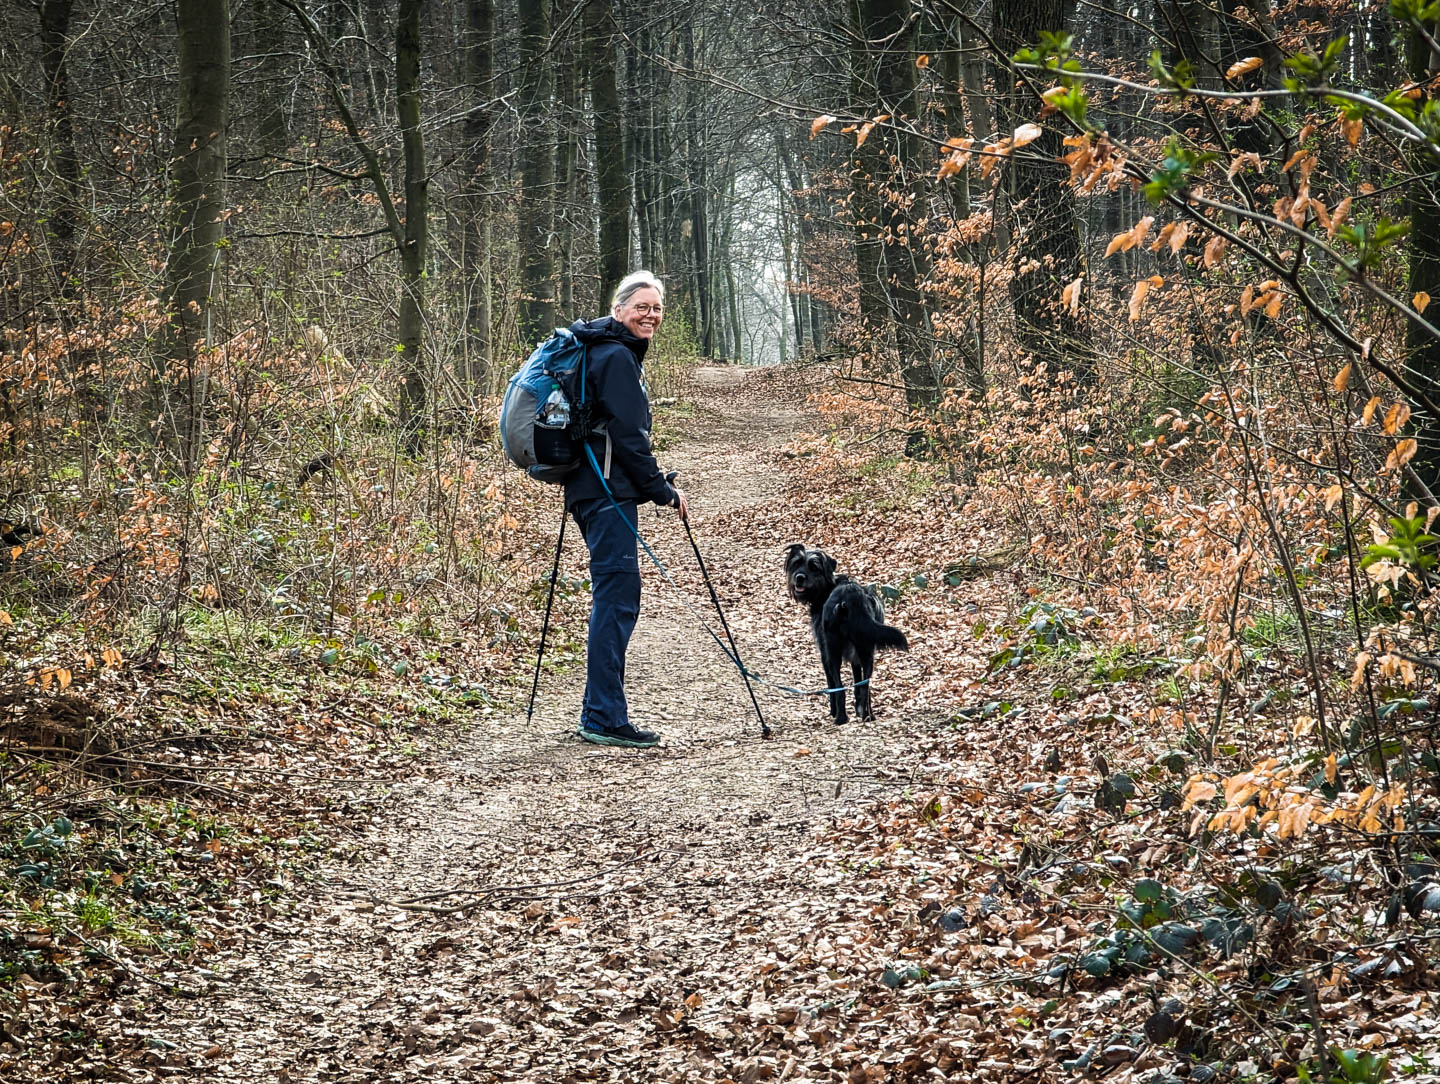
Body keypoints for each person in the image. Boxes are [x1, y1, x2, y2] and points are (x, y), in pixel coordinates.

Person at [565, 271, 688, 748]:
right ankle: (603, 717)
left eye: (656, 308)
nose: (650, 315)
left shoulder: (604, 350)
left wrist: (653, 484)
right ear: (619, 310)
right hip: (606, 492)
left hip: (594, 488)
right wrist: (661, 491)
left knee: (614, 596)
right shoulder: (616, 356)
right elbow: (632, 438)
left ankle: (601, 711)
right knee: (616, 599)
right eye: (642, 306)